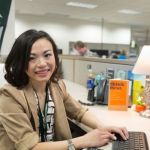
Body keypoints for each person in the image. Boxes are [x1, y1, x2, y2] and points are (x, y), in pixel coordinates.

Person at [0, 29, 128, 150]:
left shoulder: (56, 86)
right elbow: (30, 147)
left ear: (55, 57)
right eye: (31, 58)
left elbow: (79, 112)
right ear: (20, 62)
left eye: (47, 55)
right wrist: (84, 140)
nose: (42, 63)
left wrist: (103, 127)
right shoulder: (9, 96)